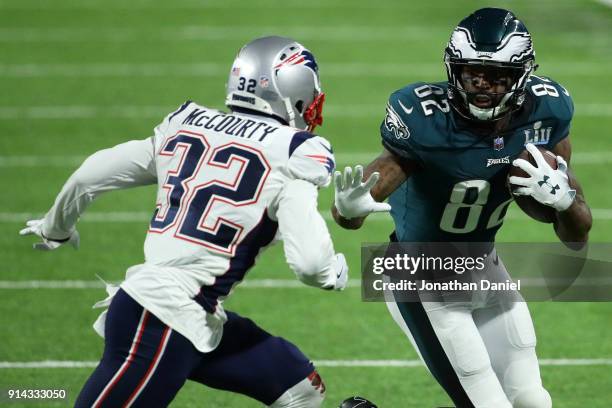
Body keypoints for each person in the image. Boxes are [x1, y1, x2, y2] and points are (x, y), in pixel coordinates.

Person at [20, 36, 347, 407]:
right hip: (161, 316)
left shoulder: (189, 124)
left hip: (193, 316)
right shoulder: (294, 152)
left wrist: (56, 227)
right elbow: (310, 264)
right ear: (295, 92)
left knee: (299, 387)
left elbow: (90, 175)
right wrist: (332, 271)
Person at [332, 8, 592, 408]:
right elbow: (354, 213)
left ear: (521, 76)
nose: (482, 87)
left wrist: (564, 200)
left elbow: (576, 235)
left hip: (486, 269)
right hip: (420, 276)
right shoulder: (423, 120)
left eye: (497, 76)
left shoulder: (547, 110)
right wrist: (348, 207)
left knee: (533, 401)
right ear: (454, 70)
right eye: (472, 74)